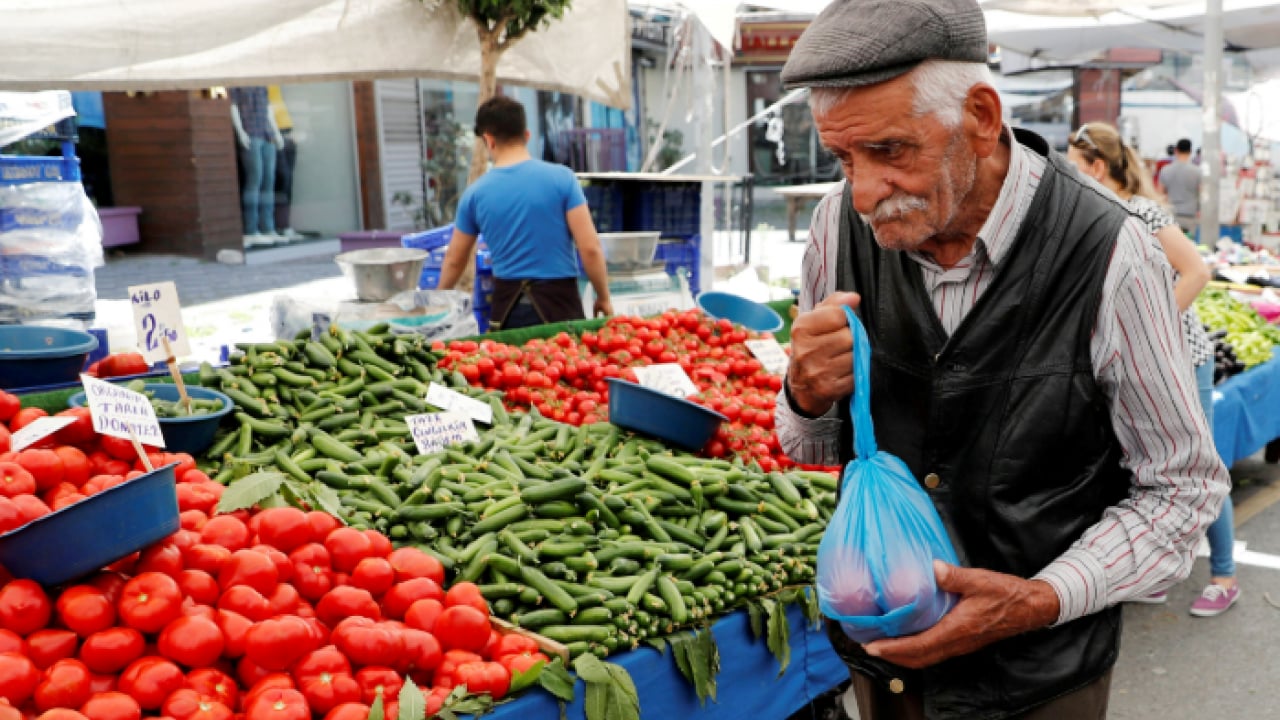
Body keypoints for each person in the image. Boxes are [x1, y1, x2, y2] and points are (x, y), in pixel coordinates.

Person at [776, 1, 1229, 717]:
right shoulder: (838, 227)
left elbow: (1182, 488)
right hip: (885, 668)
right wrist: (803, 391)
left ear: (981, 119)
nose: (863, 192)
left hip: (1039, 681)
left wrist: (1038, 599)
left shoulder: (1110, 251)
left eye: (891, 151)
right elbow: (810, 444)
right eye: (842, 158)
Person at [1067, 122, 1238, 617]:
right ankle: (1159, 570)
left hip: (1185, 360)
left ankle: (1224, 575)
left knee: (1194, 466)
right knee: (1144, 464)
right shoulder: (1095, 216)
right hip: (1136, 366)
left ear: (1098, 168)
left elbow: (1198, 271)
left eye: (1076, 169)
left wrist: (1149, 330)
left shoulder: (1140, 212)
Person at [438, 96, 612, 330]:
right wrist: (603, 296)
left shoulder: (474, 194)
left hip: (508, 312)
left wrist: (436, 301)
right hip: (561, 307)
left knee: (516, 366)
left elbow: (454, 260)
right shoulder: (562, 179)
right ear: (526, 135)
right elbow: (590, 248)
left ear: (488, 140)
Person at [229, 86, 285, 247]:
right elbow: (233, 107)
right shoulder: (236, 85)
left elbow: (268, 109)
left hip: (267, 134)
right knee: (255, 180)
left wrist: (276, 133)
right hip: (250, 133)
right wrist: (240, 132)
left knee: (268, 182)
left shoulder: (262, 85)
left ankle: (268, 228)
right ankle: (251, 230)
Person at [1158, 138, 1200, 233]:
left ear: (1176, 150)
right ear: (1190, 151)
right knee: (1189, 244)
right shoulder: (1197, 171)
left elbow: (1160, 193)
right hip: (1190, 214)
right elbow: (1202, 192)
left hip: (1171, 215)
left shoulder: (1165, 170)